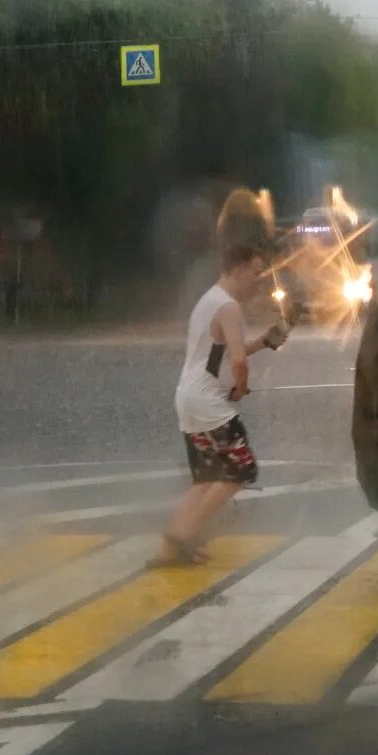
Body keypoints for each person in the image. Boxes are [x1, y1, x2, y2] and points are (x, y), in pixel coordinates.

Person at [153, 242, 290, 566]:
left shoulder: (210, 300)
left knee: (206, 478)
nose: (258, 281)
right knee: (240, 469)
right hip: (206, 402)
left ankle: (171, 547)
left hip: (189, 397)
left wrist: (265, 341)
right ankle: (183, 536)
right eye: (255, 274)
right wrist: (241, 388)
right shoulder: (228, 307)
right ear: (239, 269)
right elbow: (238, 363)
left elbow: (224, 353)